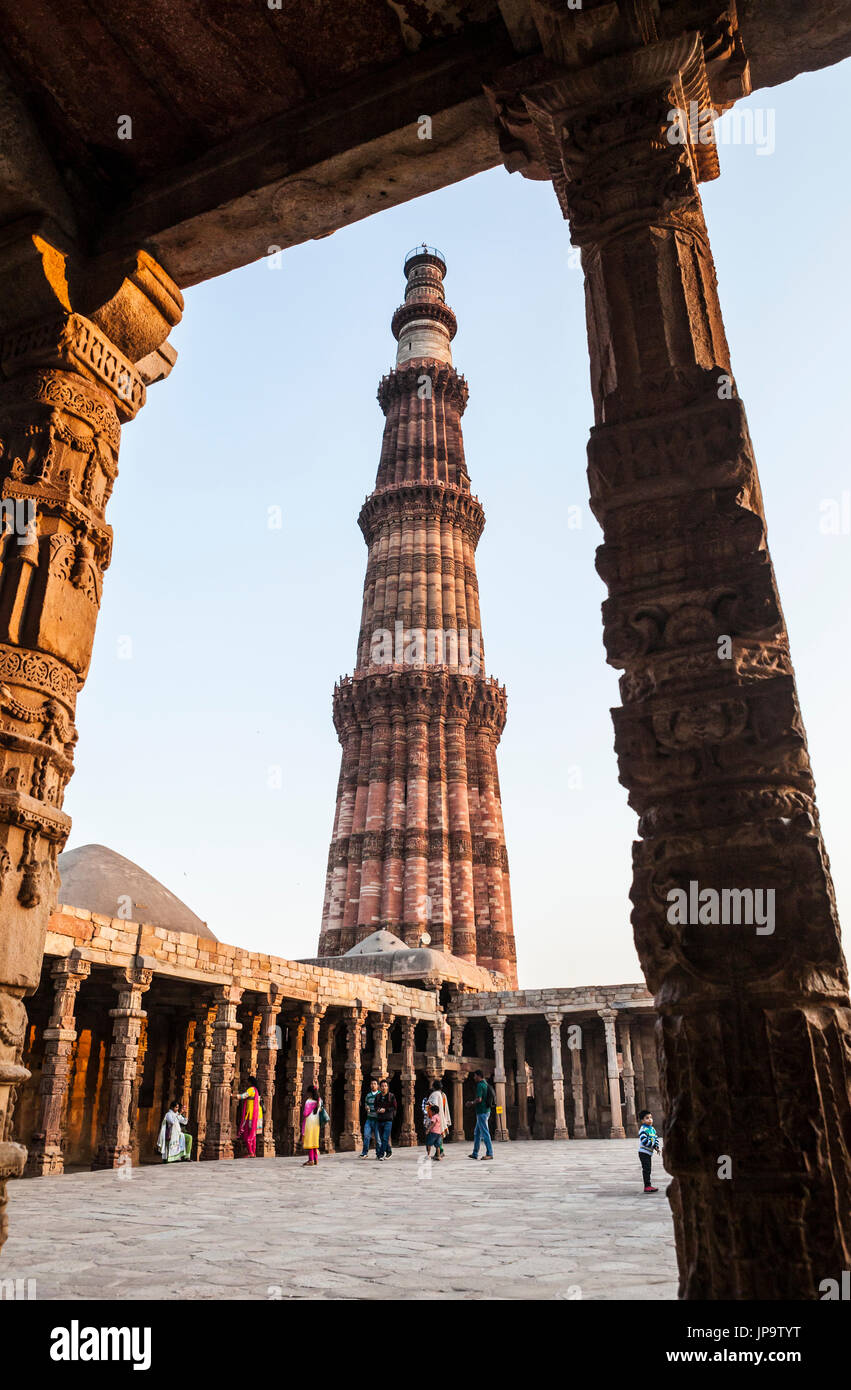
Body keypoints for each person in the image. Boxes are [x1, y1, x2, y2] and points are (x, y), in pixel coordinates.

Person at [466, 1068, 494, 1160]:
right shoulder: (485, 1084)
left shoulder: (480, 1085)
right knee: (477, 1133)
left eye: (474, 1076)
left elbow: (479, 1099)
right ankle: (475, 1153)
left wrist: (471, 1103)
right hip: (486, 1111)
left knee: (485, 1133)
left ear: (478, 1076)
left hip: (482, 1112)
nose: (474, 1077)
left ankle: (490, 1153)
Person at [236, 1077, 263, 1157]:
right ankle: (253, 1152)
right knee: (253, 1135)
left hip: (252, 1115)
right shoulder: (257, 1090)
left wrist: (232, 1095)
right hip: (258, 1115)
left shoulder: (251, 1089)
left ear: (250, 1082)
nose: (246, 1083)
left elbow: (243, 1096)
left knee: (249, 1135)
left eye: (247, 1081)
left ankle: (250, 1152)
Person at [374, 1078, 397, 1161]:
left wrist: (385, 1110)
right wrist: (378, 1109)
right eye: (382, 1086)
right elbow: (375, 1106)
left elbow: (394, 1107)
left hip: (388, 1120)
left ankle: (381, 1154)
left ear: (387, 1087)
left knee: (385, 1137)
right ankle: (389, 1151)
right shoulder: (378, 1096)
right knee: (382, 1137)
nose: (384, 1087)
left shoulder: (391, 1096)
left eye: (385, 1086)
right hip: (380, 1119)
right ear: (379, 1087)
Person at [638, 1109, 661, 1193]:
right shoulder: (643, 1129)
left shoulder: (652, 1129)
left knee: (648, 1169)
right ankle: (647, 1186)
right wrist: (653, 1144)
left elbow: (655, 1138)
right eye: (647, 1118)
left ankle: (648, 1185)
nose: (650, 1119)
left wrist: (657, 1146)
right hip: (643, 1152)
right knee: (646, 1169)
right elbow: (644, 1141)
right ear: (642, 1121)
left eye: (651, 1117)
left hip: (648, 1153)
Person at [427, 1079, 451, 1156]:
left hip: (435, 1120)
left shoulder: (435, 1094)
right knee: (438, 1137)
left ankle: (438, 1152)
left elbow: (434, 1106)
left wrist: (428, 1104)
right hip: (440, 1117)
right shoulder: (442, 1094)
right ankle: (439, 1152)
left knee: (432, 1139)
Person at [301, 1084, 323, 1167]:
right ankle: (315, 1159)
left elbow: (305, 1113)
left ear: (310, 1093)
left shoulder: (309, 1101)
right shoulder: (319, 1100)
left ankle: (311, 1160)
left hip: (309, 1123)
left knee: (309, 1141)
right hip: (316, 1123)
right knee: (314, 1141)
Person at [361, 1077, 381, 1158]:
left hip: (377, 1120)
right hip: (369, 1119)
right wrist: (367, 1107)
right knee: (366, 1136)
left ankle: (379, 1154)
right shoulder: (368, 1095)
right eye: (372, 1084)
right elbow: (366, 1104)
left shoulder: (380, 1095)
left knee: (378, 1138)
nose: (373, 1085)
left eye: (374, 1084)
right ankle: (364, 1153)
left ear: (377, 1086)